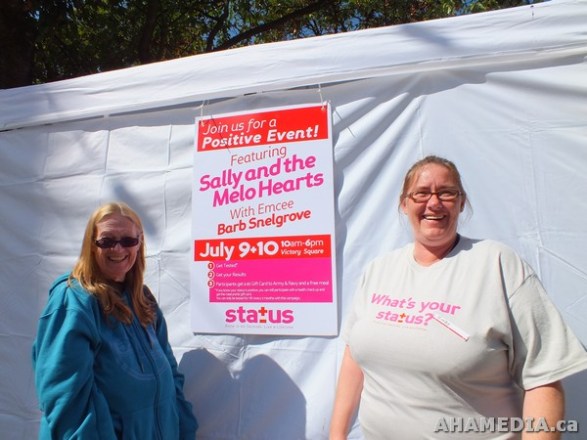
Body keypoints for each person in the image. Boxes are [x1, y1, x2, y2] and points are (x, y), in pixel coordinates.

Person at [330, 155, 587, 439]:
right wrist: (337, 435)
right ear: (404, 204)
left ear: (461, 202)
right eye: (421, 193)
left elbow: (544, 378)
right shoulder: (379, 270)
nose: (434, 203)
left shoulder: (497, 265)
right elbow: (354, 357)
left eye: (447, 193)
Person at [32, 202, 198, 440]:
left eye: (128, 240)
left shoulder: (143, 299)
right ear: (91, 245)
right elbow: (66, 398)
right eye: (107, 241)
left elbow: (171, 376)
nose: (118, 248)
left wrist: (185, 430)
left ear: (139, 243)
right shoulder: (74, 300)